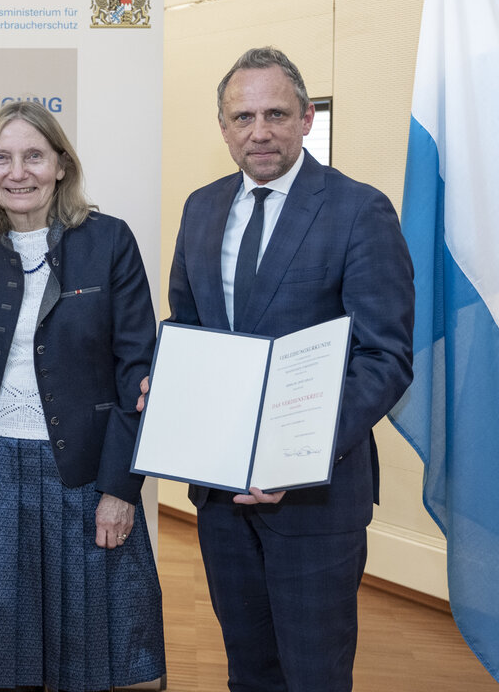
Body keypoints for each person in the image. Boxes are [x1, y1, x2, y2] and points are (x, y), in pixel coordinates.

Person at [167, 46, 415, 691]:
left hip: (315, 496)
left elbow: (384, 357)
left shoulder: (359, 210)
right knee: (248, 671)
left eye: (276, 113)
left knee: (314, 675)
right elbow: (190, 327)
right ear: (223, 127)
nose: (259, 131)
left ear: (306, 118)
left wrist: (293, 454)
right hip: (221, 493)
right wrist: (165, 381)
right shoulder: (201, 209)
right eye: (242, 116)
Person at [0, 100, 166, 691]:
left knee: (84, 661)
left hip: (85, 478)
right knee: (5, 660)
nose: (18, 172)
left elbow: (137, 375)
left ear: (61, 165)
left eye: (34, 156)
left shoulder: (109, 241)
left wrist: (121, 487)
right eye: (2, 158)